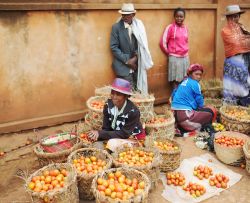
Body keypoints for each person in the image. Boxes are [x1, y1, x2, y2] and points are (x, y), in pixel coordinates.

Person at [87, 78, 145, 151]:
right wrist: (97, 135)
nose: (114, 97)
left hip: (133, 137)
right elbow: (106, 128)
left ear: (126, 96)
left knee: (112, 143)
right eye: (112, 93)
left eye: (118, 94)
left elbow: (124, 134)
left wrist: (100, 134)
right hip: (116, 135)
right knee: (95, 140)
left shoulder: (133, 112)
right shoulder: (108, 106)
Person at [110, 3, 153, 94]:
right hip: (122, 67)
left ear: (133, 15)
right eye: (123, 15)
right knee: (126, 93)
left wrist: (135, 59)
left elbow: (142, 45)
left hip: (136, 65)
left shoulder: (138, 27)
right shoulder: (116, 27)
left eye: (127, 15)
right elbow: (114, 47)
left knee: (137, 92)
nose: (125, 17)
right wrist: (128, 61)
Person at [171, 64, 216, 135]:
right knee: (211, 112)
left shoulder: (184, 81)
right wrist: (205, 107)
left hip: (176, 116)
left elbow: (174, 93)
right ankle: (204, 128)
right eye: (196, 74)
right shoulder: (195, 83)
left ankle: (181, 127)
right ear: (190, 74)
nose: (198, 77)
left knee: (203, 110)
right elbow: (199, 99)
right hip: (185, 117)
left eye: (200, 75)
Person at [221, 5, 250, 106]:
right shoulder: (225, 30)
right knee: (232, 85)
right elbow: (235, 43)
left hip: (244, 60)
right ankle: (230, 108)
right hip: (232, 61)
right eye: (232, 16)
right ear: (228, 17)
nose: (235, 18)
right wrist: (246, 39)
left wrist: (245, 39)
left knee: (244, 82)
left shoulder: (242, 27)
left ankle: (244, 105)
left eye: (237, 16)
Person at [160, 7, 189, 90]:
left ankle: (182, 99)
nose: (179, 18)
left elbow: (186, 41)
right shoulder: (170, 27)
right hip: (174, 58)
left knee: (184, 80)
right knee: (175, 81)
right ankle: (175, 100)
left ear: (184, 17)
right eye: (177, 16)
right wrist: (170, 53)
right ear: (174, 17)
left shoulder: (185, 28)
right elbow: (163, 42)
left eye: (181, 17)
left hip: (185, 58)